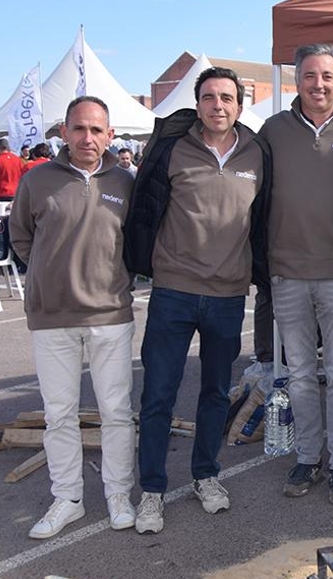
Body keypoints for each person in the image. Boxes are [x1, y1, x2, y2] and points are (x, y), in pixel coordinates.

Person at [125, 66, 271, 534]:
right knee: (158, 396)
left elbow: (264, 218)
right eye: (209, 97)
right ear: (198, 102)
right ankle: (151, 490)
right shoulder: (172, 147)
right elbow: (143, 207)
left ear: (240, 104)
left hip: (228, 295)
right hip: (173, 292)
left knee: (213, 393)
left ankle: (205, 476)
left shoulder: (257, 152)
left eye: (227, 98)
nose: (218, 106)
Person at [9, 97, 138, 539]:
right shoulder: (37, 180)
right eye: (79, 129)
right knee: (59, 414)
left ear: (110, 133)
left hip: (110, 315)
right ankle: (68, 497)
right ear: (63, 132)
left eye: (97, 130)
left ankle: (118, 493)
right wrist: (49, 276)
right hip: (52, 317)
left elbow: (135, 240)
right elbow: (21, 237)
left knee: (117, 411)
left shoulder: (125, 180)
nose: (88, 138)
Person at [258, 43, 333, 504]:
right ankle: (308, 458)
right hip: (287, 273)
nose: (318, 84)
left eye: (326, 75)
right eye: (309, 75)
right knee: (301, 374)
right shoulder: (273, 130)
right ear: (296, 80)